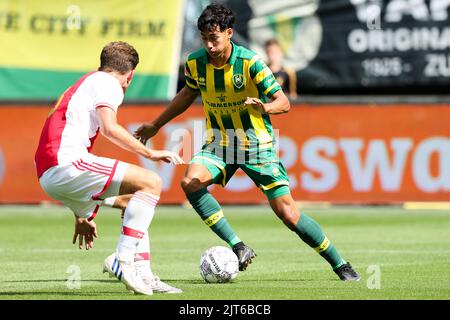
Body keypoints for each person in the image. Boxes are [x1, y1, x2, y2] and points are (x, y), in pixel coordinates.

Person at [135, 4, 360, 281]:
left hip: (256, 144)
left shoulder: (251, 63)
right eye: (204, 38)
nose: (209, 44)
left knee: (288, 215)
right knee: (190, 182)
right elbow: (186, 95)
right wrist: (156, 124)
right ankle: (238, 246)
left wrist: (264, 108)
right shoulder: (195, 63)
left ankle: (340, 264)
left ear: (229, 33)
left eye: (214, 38)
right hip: (220, 143)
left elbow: (284, 102)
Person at [34, 41, 184, 295]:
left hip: (51, 172)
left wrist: (80, 214)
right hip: (66, 164)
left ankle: (143, 273)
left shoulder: (87, 82)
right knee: (152, 182)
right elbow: (109, 128)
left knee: (133, 199)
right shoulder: (108, 83)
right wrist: (150, 152)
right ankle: (122, 260)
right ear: (130, 75)